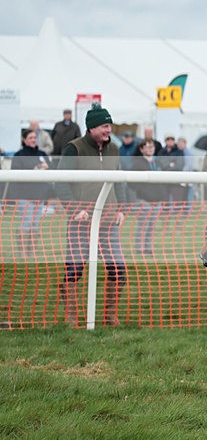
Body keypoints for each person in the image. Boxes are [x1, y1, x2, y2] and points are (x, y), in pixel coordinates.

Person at [55, 102, 127, 327]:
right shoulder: (73, 148)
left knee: (118, 268)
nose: (108, 130)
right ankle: (71, 316)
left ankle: (110, 315)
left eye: (110, 126)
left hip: (108, 221)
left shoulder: (114, 149)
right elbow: (60, 182)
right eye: (104, 126)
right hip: (81, 221)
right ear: (91, 128)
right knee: (75, 268)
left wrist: (122, 208)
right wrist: (75, 210)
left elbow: (120, 180)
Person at [9, 129, 51, 257]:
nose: (33, 140)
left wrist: (47, 167)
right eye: (30, 137)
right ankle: (22, 253)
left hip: (39, 196)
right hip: (24, 196)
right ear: (24, 140)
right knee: (26, 224)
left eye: (34, 137)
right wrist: (35, 169)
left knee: (35, 225)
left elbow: (51, 169)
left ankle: (32, 252)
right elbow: (15, 172)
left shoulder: (42, 154)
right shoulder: (19, 155)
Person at [129, 139, 167, 256]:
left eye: (152, 147)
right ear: (141, 149)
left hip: (157, 200)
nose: (150, 149)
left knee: (152, 226)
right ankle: (139, 249)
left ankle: (148, 248)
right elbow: (132, 183)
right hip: (144, 200)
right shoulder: (137, 164)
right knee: (143, 225)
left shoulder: (158, 162)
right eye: (148, 147)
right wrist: (142, 191)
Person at [157, 135, 186, 203]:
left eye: (172, 140)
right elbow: (159, 162)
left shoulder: (179, 151)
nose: (170, 141)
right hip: (164, 180)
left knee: (177, 202)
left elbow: (180, 165)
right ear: (165, 141)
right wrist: (170, 164)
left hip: (176, 180)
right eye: (168, 139)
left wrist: (167, 165)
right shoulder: (162, 151)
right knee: (164, 201)